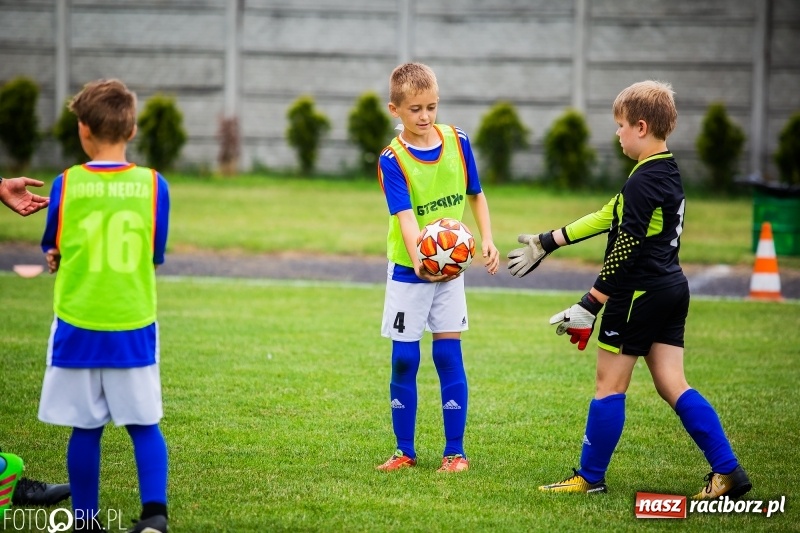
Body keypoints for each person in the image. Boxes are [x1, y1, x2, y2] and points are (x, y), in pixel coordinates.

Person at [507, 80, 751, 499]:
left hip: (638, 294)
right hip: (670, 288)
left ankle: (589, 477)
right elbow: (610, 214)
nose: (616, 133)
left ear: (640, 126)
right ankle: (728, 472)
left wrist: (590, 302)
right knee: (673, 383)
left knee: (609, 386)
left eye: (620, 125)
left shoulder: (643, 180)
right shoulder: (662, 169)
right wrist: (550, 240)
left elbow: (626, 243)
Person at [39, 79, 171, 532]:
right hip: (131, 320)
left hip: (78, 321)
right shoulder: (155, 185)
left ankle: (85, 521)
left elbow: (53, 246)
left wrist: (56, 256)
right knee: (144, 423)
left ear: (83, 131)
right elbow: (154, 253)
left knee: (85, 427)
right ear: (131, 131)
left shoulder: (67, 183)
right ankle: (155, 517)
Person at [376, 62, 500, 473]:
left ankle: (455, 453)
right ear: (395, 110)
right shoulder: (392, 159)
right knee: (404, 360)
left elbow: (476, 194)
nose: (425, 116)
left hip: (451, 275)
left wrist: (486, 238)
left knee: (448, 354)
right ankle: (404, 451)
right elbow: (406, 219)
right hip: (409, 272)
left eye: (432, 106)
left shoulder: (457, 141)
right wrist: (422, 262)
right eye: (415, 109)